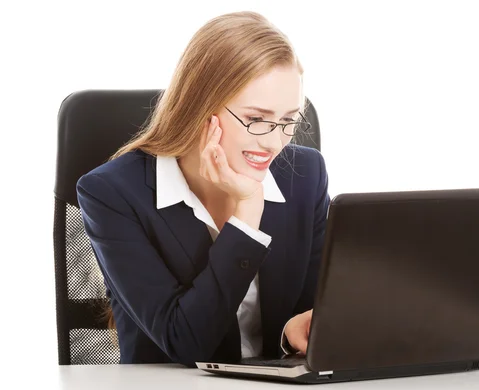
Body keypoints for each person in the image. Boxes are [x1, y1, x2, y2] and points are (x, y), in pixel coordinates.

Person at [76, 11, 330, 368]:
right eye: (257, 119)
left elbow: (313, 310)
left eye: (288, 120)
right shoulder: (112, 194)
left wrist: (293, 331)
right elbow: (185, 342)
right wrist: (245, 218)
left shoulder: (306, 175)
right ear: (201, 106)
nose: (275, 142)